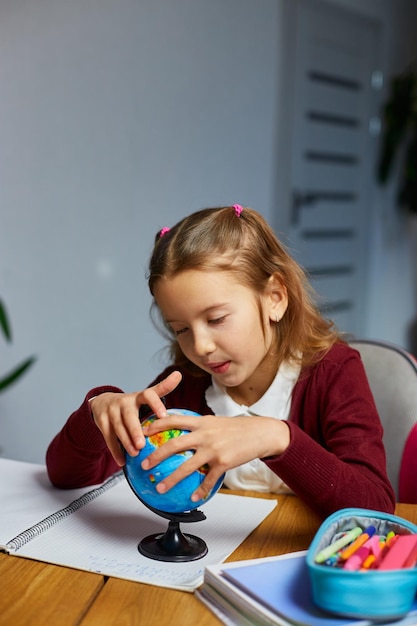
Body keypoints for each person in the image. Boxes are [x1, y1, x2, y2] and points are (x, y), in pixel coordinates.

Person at [46, 204, 395, 519]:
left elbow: (376, 507)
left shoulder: (335, 372)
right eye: (181, 329)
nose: (200, 346)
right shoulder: (184, 385)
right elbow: (66, 476)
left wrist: (278, 437)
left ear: (275, 297)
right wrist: (96, 411)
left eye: (216, 319)